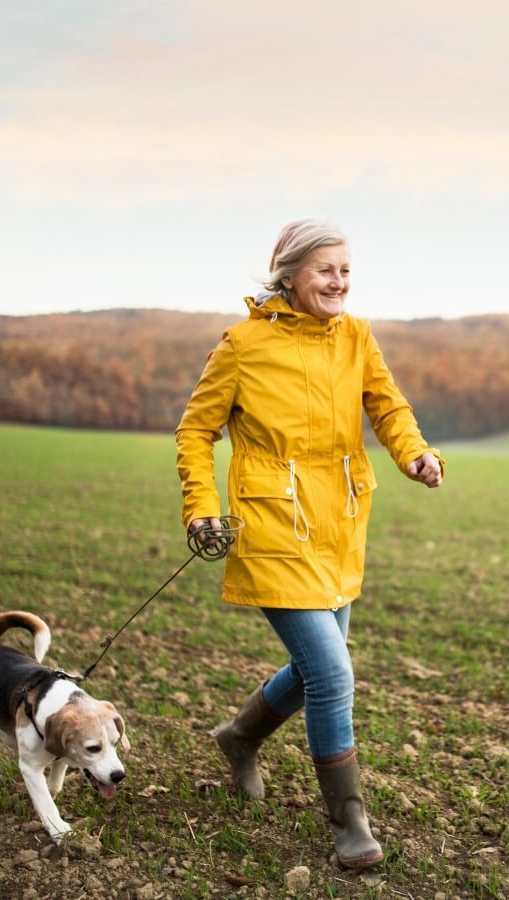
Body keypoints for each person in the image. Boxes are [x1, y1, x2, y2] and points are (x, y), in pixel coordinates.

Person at [175, 219, 444, 869]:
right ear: (290, 273)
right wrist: (201, 508)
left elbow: (388, 407)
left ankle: (239, 738)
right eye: (326, 270)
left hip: (339, 523)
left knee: (314, 668)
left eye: (346, 270)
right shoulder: (242, 346)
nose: (339, 282)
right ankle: (349, 819)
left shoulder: (357, 337)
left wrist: (413, 454)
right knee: (330, 672)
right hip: (270, 528)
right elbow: (194, 431)